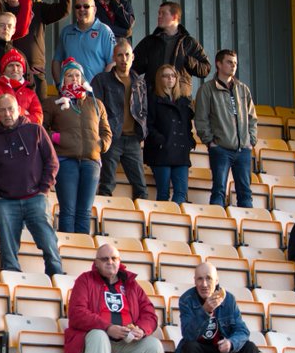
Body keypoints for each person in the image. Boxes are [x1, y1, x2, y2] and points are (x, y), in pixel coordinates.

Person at [0, 94, 62, 276]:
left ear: (18, 109)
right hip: (6, 202)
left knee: (48, 243)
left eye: (10, 109)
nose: (7, 114)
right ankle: (12, 280)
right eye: (2, 110)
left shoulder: (36, 130)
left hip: (35, 198)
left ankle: (56, 277)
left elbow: (52, 162)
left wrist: (44, 189)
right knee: (8, 250)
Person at [63, 245, 163, 353]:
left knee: (154, 346)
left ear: (119, 261)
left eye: (114, 258)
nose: (110, 262)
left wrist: (142, 329)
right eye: (105, 259)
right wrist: (107, 327)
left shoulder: (131, 284)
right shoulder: (85, 280)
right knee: (99, 335)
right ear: (96, 263)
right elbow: (77, 313)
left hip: (127, 341)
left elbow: (149, 313)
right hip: (94, 339)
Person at [43, 59, 111, 234]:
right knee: (68, 211)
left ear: (82, 79)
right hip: (65, 161)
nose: (74, 79)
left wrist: (100, 145)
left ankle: (82, 251)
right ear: (62, 80)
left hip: (91, 161)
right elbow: (41, 130)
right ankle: (66, 250)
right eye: (69, 75)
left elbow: (106, 131)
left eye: (77, 75)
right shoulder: (53, 103)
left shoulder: (96, 103)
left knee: (84, 212)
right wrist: (58, 138)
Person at [194, 49, 257, 208]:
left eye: (235, 63)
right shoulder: (207, 89)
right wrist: (211, 142)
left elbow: (251, 117)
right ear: (218, 64)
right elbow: (201, 119)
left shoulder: (243, 89)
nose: (233, 66)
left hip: (243, 149)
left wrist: (251, 141)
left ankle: (247, 226)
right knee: (219, 190)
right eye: (229, 62)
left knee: (245, 192)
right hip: (220, 149)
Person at [176, 263, 261, 353]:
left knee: (250, 349)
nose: (204, 284)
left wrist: (231, 343)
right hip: (200, 348)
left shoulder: (228, 299)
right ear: (195, 281)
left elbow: (242, 331)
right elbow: (188, 335)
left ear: (216, 281)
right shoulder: (187, 300)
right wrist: (205, 311)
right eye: (200, 279)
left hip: (223, 346)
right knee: (190, 347)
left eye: (209, 278)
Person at [6, 0, 73, 101]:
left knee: (39, 116)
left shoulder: (37, 8)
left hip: (37, 74)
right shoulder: (1, 12)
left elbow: (63, 10)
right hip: (11, 74)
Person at [91, 39, 148, 200]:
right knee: (107, 184)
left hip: (133, 139)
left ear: (133, 57)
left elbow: (144, 109)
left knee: (141, 187)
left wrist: (142, 131)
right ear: (114, 58)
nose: (124, 59)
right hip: (112, 138)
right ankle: (102, 222)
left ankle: (142, 223)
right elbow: (95, 109)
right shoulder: (102, 80)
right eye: (120, 55)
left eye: (127, 55)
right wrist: (103, 133)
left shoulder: (139, 82)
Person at [132, 1, 210, 95]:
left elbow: (205, 69)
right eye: (159, 13)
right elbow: (133, 66)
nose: (159, 16)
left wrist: (188, 61)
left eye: (163, 13)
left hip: (180, 100)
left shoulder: (189, 43)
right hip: (154, 99)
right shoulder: (150, 42)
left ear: (174, 17)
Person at [144, 64, 195, 204]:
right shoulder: (152, 99)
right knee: (163, 193)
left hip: (180, 152)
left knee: (181, 192)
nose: (170, 79)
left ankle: (175, 222)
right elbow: (149, 125)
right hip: (161, 152)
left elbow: (187, 127)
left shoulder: (184, 102)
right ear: (159, 79)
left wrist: (190, 141)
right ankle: (162, 222)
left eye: (173, 76)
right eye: (166, 76)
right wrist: (161, 141)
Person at [53, 0, 114, 86]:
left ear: (94, 9)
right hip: (70, 93)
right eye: (78, 6)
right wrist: (59, 85)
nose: (82, 9)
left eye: (86, 6)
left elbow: (112, 62)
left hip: (95, 93)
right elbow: (56, 61)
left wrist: (102, 85)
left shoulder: (104, 31)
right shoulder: (66, 32)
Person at [0, 49, 42, 133]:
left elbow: (38, 119)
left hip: (24, 140)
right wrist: (25, 113)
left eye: (18, 65)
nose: (15, 69)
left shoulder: (30, 93)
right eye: (10, 65)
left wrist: (14, 115)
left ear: (23, 71)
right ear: (3, 70)